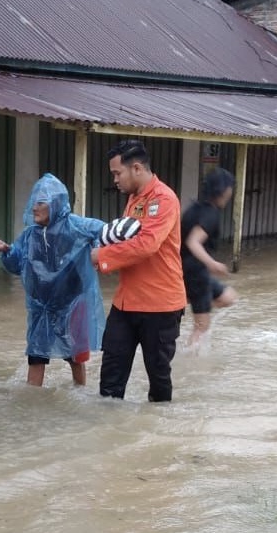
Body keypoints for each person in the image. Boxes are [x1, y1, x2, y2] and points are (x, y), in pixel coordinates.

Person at [0, 174, 106, 387]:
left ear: (56, 204)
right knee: (36, 356)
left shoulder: (75, 226)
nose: (34, 208)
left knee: (75, 357)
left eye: (41, 202)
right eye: (34, 202)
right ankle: (33, 410)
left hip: (71, 303)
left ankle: (79, 395)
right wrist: (6, 250)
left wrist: (97, 249)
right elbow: (17, 264)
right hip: (41, 308)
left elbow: (104, 231)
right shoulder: (30, 234)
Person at [91, 140, 186, 402]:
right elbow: (125, 240)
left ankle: (158, 435)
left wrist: (103, 256)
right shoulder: (134, 199)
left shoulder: (164, 199)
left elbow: (147, 245)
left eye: (116, 173)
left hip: (160, 304)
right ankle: (110, 434)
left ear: (136, 168)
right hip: (126, 302)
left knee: (158, 377)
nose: (115, 180)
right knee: (111, 373)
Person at [181, 167, 239, 347]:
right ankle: (191, 363)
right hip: (195, 273)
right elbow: (193, 242)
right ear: (224, 190)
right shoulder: (210, 213)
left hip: (187, 270)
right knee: (202, 326)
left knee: (229, 297)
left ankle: (197, 304)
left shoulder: (193, 208)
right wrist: (212, 263)